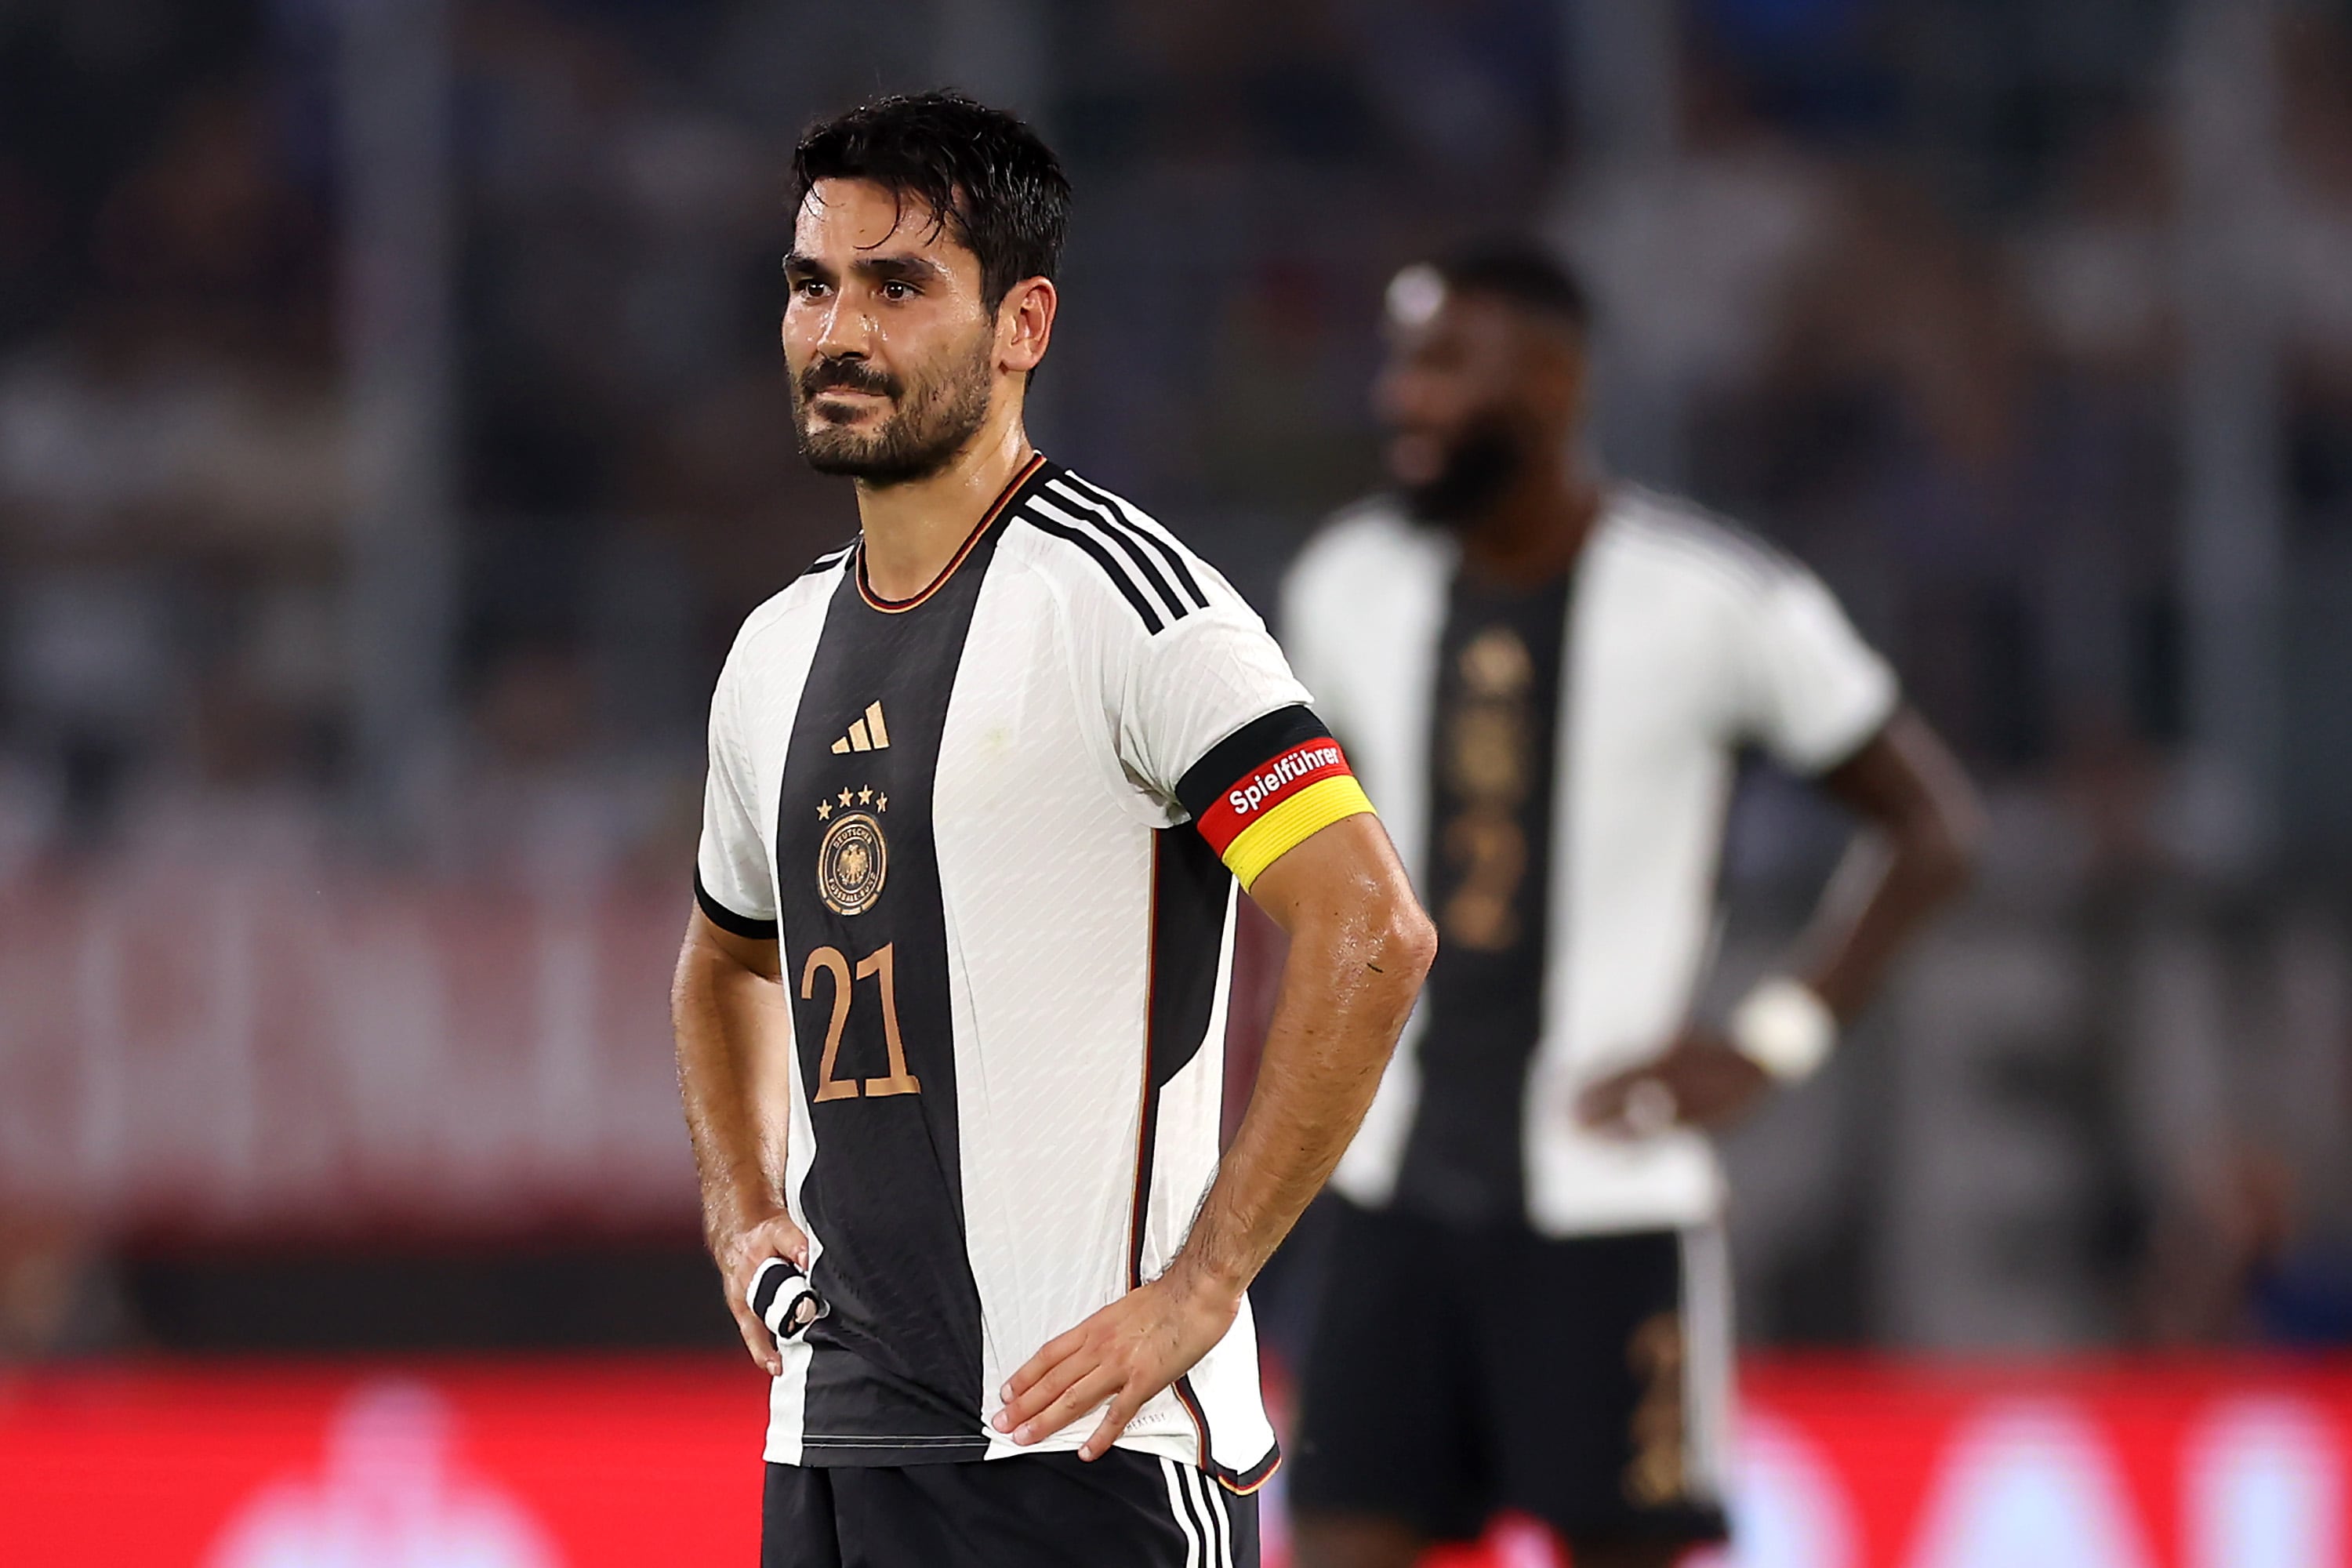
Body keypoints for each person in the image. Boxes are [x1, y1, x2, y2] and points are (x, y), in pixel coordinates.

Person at [670, 92, 1436, 1568]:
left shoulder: (1130, 603)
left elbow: (1372, 932)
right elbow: (724, 959)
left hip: (1086, 1453)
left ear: (1023, 325)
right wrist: (743, 1209)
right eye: (812, 283)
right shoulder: (772, 653)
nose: (841, 330)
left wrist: (1205, 1285)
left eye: (900, 288)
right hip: (833, 1445)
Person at [1279, 247, 1983, 1568]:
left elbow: (1934, 824)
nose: (1402, 397)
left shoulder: (1717, 602)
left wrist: (1774, 1039)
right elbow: (1301, 871)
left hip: (1607, 1204)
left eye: (1443, 363)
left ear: (1554, 382)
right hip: (1386, 1198)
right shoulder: (1346, 584)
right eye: (1398, 361)